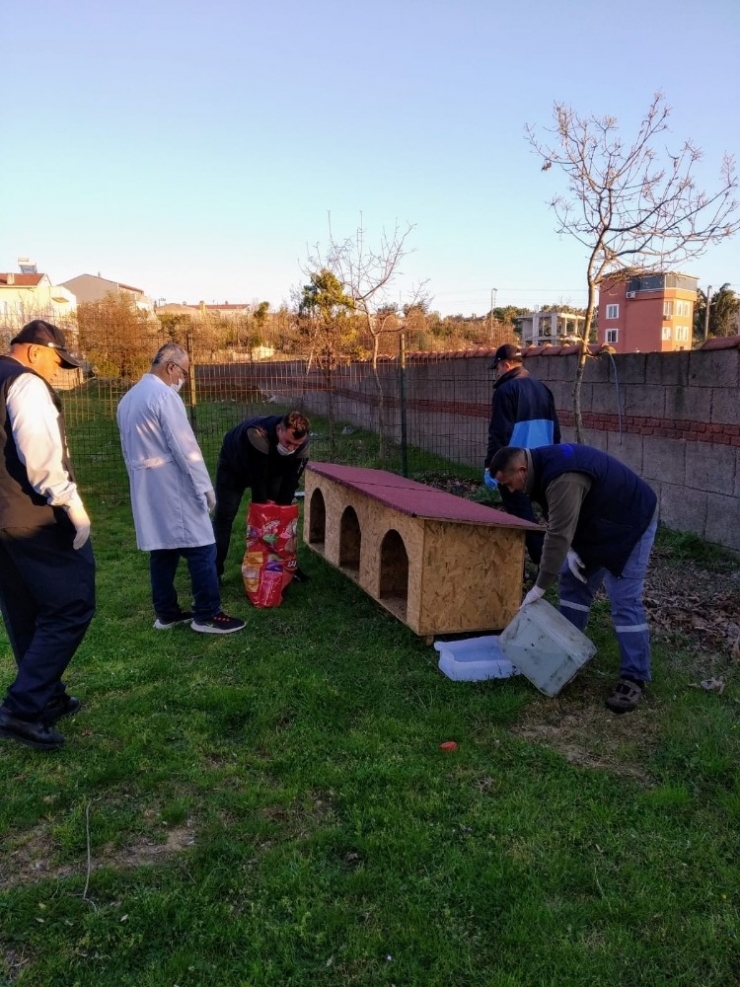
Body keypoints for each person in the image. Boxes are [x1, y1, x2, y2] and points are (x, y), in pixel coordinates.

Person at [490, 443, 658, 714]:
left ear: (521, 470)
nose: (510, 490)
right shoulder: (540, 468)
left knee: (623, 598)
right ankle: (565, 655)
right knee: (573, 582)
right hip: (600, 521)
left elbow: (557, 533)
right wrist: (572, 551)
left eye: (509, 483)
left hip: (632, 521)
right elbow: (561, 516)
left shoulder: (562, 476)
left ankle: (634, 676)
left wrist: (540, 586)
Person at [0, 320, 95, 751]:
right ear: (36, 351)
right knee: (71, 605)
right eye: (58, 360)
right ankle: (22, 708)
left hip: (3, 518)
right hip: (34, 515)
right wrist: (71, 505)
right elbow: (39, 453)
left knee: (24, 607)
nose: (58, 370)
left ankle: (47, 696)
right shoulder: (26, 384)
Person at [116, 343, 245, 635]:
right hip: (173, 484)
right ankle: (207, 614)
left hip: (146, 485)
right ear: (171, 367)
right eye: (183, 372)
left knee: (163, 548)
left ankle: (167, 612)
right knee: (202, 547)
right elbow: (185, 447)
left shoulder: (128, 399)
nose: (183, 380)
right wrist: (204, 487)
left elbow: (127, 450)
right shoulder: (163, 396)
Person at [483, 343, 560, 564]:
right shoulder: (543, 389)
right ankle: (568, 555)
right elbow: (556, 430)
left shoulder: (505, 391)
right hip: (544, 462)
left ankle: (541, 561)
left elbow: (499, 433)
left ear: (506, 365)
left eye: (497, 368)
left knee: (522, 516)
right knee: (554, 513)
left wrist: (492, 467)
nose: (497, 372)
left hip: (515, 467)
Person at [213, 411, 310, 580]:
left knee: (282, 515)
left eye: (296, 444)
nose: (291, 448)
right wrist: (265, 517)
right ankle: (213, 571)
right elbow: (259, 488)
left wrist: (281, 514)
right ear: (279, 429)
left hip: (272, 469)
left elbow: (290, 482)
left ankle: (284, 567)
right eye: (288, 442)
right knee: (225, 517)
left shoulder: (303, 445)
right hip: (233, 466)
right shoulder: (257, 434)